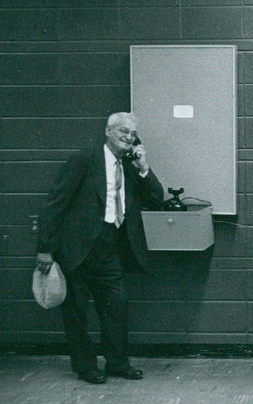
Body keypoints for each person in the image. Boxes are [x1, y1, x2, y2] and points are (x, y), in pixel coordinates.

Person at [36, 112, 164, 384]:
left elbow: (156, 197)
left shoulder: (129, 167)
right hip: (77, 250)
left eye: (132, 134)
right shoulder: (84, 160)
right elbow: (54, 204)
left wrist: (144, 166)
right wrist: (45, 249)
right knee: (77, 313)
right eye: (123, 132)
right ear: (108, 131)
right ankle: (86, 367)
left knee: (117, 307)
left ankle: (117, 363)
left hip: (110, 249)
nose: (129, 137)